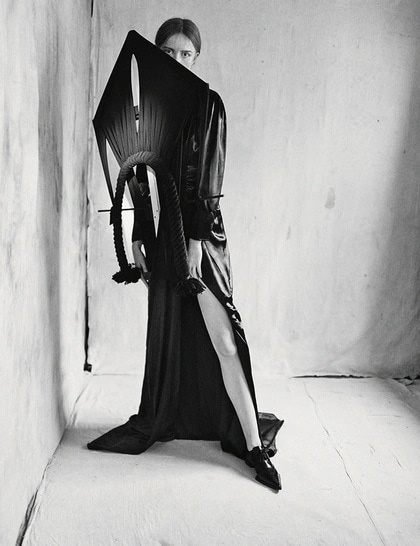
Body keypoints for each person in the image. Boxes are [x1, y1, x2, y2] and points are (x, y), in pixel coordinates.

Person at [88, 18, 283, 492]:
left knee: (224, 338)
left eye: (186, 54)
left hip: (202, 236)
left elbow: (209, 178)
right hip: (164, 236)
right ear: (156, 55)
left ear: (197, 59)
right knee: (168, 333)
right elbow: (137, 171)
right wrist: (139, 231)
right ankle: (169, 415)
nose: (177, 61)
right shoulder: (147, 109)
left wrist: (195, 242)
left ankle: (253, 446)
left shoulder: (207, 103)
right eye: (168, 53)